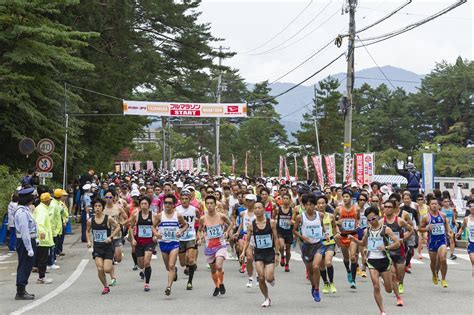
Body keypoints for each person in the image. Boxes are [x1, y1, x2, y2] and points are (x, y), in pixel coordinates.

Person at [349, 207, 401, 315]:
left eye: (373, 219)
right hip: (372, 260)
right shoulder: (366, 230)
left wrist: (386, 248)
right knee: (376, 286)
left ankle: (388, 282)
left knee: (388, 289)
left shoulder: (386, 229)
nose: (371, 222)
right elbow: (363, 243)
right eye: (369, 220)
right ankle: (382, 311)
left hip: (384, 260)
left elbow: (397, 243)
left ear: (378, 216)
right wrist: (354, 240)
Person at [240, 200, 280, 307]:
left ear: (264, 209)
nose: (257, 210)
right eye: (255, 208)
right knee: (261, 277)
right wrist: (243, 252)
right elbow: (247, 240)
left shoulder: (271, 222)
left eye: (259, 208)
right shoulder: (251, 225)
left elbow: (276, 238)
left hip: (269, 252)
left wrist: (277, 253)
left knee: (269, 278)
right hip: (258, 253)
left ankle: (271, 279)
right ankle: (267, 298)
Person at [293, 194, 328, 302]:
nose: (309, 207)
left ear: (315, 205)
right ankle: (313, 286)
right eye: (307, 205)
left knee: (316, 266)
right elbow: (294, 230)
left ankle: (317, 289)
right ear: (303, 206)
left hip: (318, 244)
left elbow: (323, 226)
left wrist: (326, 233)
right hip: (307, 246)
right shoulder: (300, 217)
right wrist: (303, 237)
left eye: (311, 205)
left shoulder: (320, 215)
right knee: (310, 270)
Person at [197, 195, 232, 296]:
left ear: (215, 204)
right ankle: (217, 286)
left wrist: (227, 232)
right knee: (213, 270)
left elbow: (230, 224)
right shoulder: (203, 218)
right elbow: (200, 230)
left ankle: (221, 283)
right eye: (207, 203)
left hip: (220, 245)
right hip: (209, 247)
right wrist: (200, 238)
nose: (209, 205)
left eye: (211, 203)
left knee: (219, 266)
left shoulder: (221, 216)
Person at [156, 194, 189, 296]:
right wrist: (156, 234)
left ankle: (168, 287)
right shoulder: (159, 215)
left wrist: (181, 231)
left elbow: (186, 225)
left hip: (174, 243)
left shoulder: (177, 215)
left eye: (170, 203)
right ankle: (174, 271)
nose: (167, 205)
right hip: (163, 244)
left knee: (171, 265)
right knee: (168, 267)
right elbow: (152, 226)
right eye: (165, 203)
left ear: (174, 205)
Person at [86, 199, 121, 294]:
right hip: (97, 247)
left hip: (108, 247)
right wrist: (89, 241)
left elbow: (118, 227)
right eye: (96, 206)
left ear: (102, 208)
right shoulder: (90, 220)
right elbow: (88, 231)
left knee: (106, 269)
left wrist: (111, 236)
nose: (97, 208)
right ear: (93, 208)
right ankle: (105, 286)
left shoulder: (108, 218)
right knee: (100, 268)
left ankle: (111, 266)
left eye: (99, 206)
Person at [382, 199, 410, 303]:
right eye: (386, 207)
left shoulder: (399, 221)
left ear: (394, 209)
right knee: (393, 274)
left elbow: (411, 229)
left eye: (390, 207)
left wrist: (404, 238)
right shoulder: (381, 222)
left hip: (399, 250)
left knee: (399, 275)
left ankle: (400, 283)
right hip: (388, 252)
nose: (388, 209)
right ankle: (398, 297)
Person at [419, 198, 451, 288]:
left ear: (438, 205)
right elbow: (419, 228)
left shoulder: (443, 216)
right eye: (432, 204)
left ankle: (444, 279)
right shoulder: (426, 217)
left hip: (442, 241)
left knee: (443, 259)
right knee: (433, 262)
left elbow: (447, 226)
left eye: (435, 204)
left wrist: (449, 232)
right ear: (429, 205)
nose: (434, 205)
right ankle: (434, 274)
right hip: (432, 242)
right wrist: (427, 228)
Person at [129, 196, 158, 292]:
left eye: (146, 204)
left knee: (147, 262)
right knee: (141, 265)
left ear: (149, 205)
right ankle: (144, 271)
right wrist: (132, 239)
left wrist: (155, 236)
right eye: (142, 204)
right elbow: (130, 227)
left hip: (149, 242)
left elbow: (156, 228)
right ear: (140, 205)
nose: (144, 205)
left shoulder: (153, 215)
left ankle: (147, 284)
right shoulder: (136, 215)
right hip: (139, 242)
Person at [14, 187, 37, 300]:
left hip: (28, 241)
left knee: (26, 265)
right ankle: (20, 292)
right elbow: (24, 232)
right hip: (24, 242)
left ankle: (22, 289)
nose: (33, 198)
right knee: (24, 266)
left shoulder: (26, 210)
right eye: (32, 196)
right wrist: (29, 248)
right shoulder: (22, 212)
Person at [334, 190, 359, 289]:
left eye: (347, 196)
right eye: (343, 196)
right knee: (346, 258)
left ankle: (353, 280)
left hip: (352, 235)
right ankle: (348, 271)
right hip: (343, 236)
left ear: (351, 198)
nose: (345, 198)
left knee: (353, 257)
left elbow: (358, 220)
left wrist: (357, 225)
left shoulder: (356, 209)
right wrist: (338, 230)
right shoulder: (338, 209)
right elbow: (335, 222)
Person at [103, 189, 128, 286]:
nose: (108, 199)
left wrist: (121, 224)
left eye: (110, 197)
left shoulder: (118, 208)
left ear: (113, 198)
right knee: (110, 258)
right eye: (106, 197)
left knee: (118, 259)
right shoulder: (102, 209)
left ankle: (118, 255)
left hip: (117, 235)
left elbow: (127, 218)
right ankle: (113, 278)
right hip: (106, 237)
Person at [176, 189, 199, 290]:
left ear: (190, 199)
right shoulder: (176, 210)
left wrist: (199, 233)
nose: (184, 201)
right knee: (182, 263)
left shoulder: (195, 209)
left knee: (190, 259)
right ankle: (178, 268)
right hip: (180, 237)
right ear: (180, 199)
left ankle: (190, 282)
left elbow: (200, 220)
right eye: (182, 199)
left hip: (191, 236)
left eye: (186, 199)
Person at [316, 195, 337, 294]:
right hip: (319, 243)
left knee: (328, 262)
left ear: (326, 204)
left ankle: (332, 283)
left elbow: (334, 227)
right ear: (316, 205)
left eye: (323, 203)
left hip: (330, 242)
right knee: (321, 266)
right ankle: (325, 283)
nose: (321, 205)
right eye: (319, 203)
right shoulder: (314, 217)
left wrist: (336, 237)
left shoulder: (331, 216)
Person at [234, 194, 257, 287]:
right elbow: (241, 224)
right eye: (247, 200)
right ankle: (250, 277)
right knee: (250, 258)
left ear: (254, 202)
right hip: (246, 237)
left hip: (257, 237)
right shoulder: (243, 213)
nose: (248, 202)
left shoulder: (258, 213)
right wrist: (237, 232)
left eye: (250, 201)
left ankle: (258, 275)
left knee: (258, 259)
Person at [33, 193, 54, 284]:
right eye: (49, 199)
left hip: (43, 238)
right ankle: (41, 277)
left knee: (41, 258)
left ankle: (41, 276)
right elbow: (39, 223)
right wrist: (41, 232)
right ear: (47, 200)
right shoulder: (42, 210)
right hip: (43, 239)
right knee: (43, 259)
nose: (50, 201)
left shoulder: (41, 208)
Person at [276, 193, 295, 272]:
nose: (285, 200)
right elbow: (274, 218)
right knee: (281, 245)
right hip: (280, 230)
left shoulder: (292, 210)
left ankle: (287, 264)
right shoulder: (278, 209)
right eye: (284, 198)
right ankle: (282, 256)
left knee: (288, 249)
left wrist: (291, 222)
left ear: (290, 200)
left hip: (289, 231)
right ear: (282, 200)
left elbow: (293, 221)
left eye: (287, 198)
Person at [455, 200, 474, 276]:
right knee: (473, 259)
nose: (472, 208)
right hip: (471, 242)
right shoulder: (466, 219)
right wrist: (459, 233)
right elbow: (462, 228)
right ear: (469, 208)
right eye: (471, 207)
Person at [416, 194, 429, 259]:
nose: (420, 201)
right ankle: (419, 253)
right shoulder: (415, 207)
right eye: (419, 200)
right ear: (417, 201)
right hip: (418, 226)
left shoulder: (427, 207)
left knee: (426, 238)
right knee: (420, 239)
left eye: (421, 199)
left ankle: (430, 250)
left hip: (425, 226)